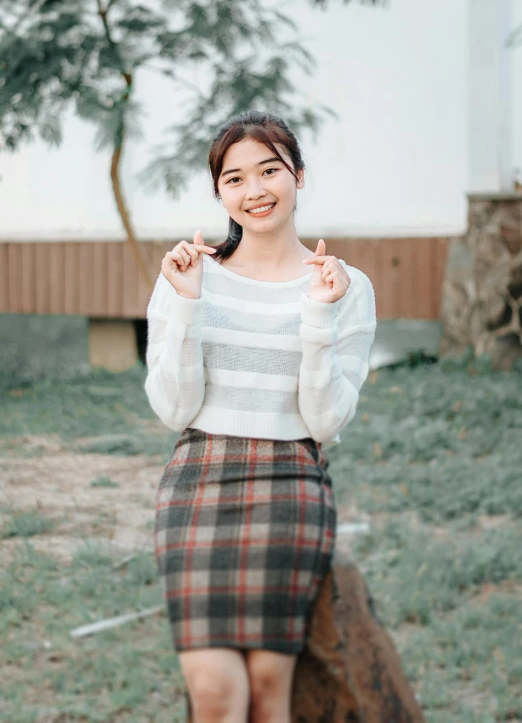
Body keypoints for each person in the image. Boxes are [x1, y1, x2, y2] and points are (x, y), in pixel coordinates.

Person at [144, 109, 377, 723]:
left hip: (290, 485)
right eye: (235, 178)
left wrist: (320, 316)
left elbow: (324, 423)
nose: (255, 191)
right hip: (198, 482)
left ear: (299, 175)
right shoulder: (186, 275)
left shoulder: (345, 285)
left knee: (271, 692)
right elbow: (173, 409)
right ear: (219, 192)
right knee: (216, 692)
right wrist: (189, 305)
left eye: (269, 171)